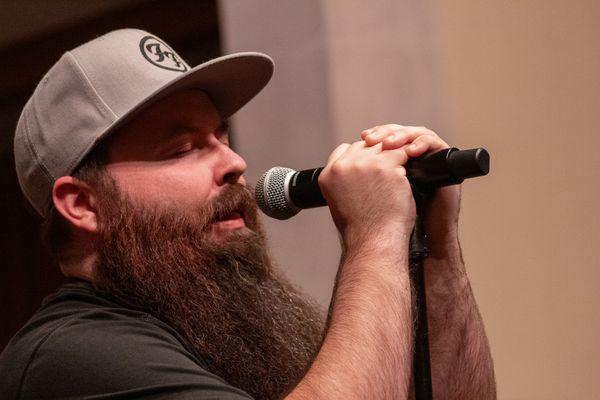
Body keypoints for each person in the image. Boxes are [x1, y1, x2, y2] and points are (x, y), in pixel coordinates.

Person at [0, 29, 496, 399]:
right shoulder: (73, 355)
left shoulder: (227, 334)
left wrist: (438, 244)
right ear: (83, 205)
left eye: (222, 136)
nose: (235, 164)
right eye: (182, 149)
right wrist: (375, 234)